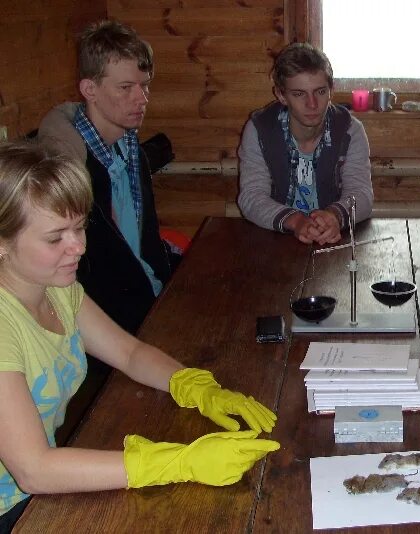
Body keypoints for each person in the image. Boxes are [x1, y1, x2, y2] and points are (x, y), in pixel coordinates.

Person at [0, 142, 279, 534]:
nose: (78, 246)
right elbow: (34, 469)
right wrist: (179, 463)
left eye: (79, 227)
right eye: (55, 238)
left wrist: (195, 386)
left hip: (37, 487)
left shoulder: (56, 288)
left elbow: (128, 352)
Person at [37, 20, 175, 335]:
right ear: (90, 90)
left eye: (145, 85)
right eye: (126, 88)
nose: (142, 99)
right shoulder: (68, 168)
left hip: (150, 299)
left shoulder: (130, 149)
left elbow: (146, 239)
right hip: (106, 325)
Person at [237, 42, 373, 245]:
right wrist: (296, 221)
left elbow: (361, 194)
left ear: (331, 91)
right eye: (299, 94)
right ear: (281, 95)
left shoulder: (349, 130)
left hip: (333, 238)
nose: (312, 104)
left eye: (320, 92)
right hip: (276, 238)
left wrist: (334, 216)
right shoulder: (259, 129)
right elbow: (251, 197)